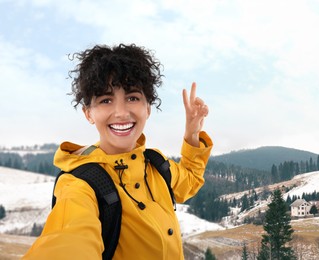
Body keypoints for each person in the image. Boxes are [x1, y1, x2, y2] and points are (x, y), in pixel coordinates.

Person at [23, 43, 213, 259]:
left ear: (148, 108)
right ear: (88, 113)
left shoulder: (155, 163)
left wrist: (192, 135)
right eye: (106, 100)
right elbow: (67, 241)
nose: (121, 112)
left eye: (132, 97)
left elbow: (189, 181)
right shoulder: (80, 186)